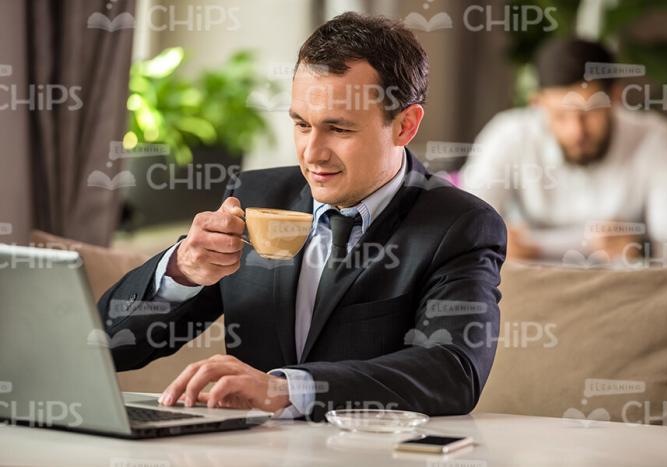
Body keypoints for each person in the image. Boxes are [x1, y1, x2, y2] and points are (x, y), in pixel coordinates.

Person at [98, 12, 506, 422]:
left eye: (339, 129)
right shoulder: (253, 197)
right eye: (301, 124)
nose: (312, 153)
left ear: (404, 125)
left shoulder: (461, 225)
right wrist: (181, 270)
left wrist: (287, 388)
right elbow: (108, 346)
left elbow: (453, 371)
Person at [460, 38, 667, 263]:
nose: (576, 131)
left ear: (615, 97)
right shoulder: (507, 136)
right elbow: (466, 225)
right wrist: (493, 243)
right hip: (529, 288)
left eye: (590, 112)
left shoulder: (661, 142)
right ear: (538, 104)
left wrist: (642, 247)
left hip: (627, 292)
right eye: (561, 115)